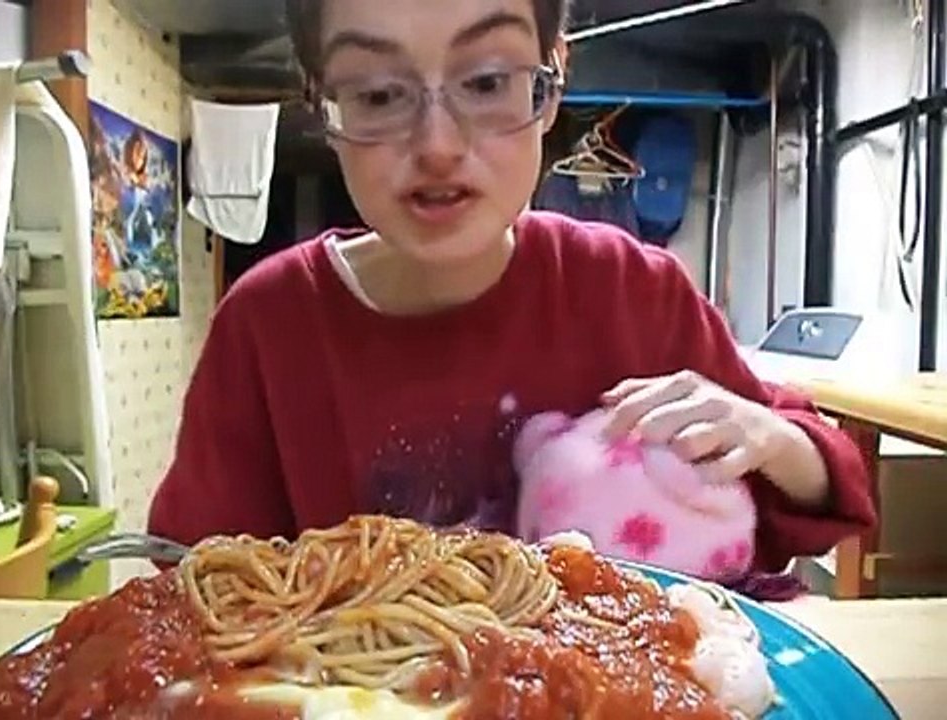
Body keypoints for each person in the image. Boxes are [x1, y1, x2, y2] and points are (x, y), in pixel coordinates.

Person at [148, 0, 875, 575]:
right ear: (322, 107)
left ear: (550, 82)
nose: (437, 144)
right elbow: (193, 584)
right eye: (376, 94)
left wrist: (768, 435)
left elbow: (822, 489)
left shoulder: (632, 289)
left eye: (488, 82)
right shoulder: (269, 324)